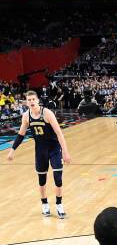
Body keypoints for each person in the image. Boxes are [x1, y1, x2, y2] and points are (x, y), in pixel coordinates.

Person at [7, 90, 71, 218]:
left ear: (37, 100)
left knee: (58, 177)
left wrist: (65, 152)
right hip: (40, 150)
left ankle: (59, 204)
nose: (31, 102)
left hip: (54, 149)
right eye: (28, 100)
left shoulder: (47, 113)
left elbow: (59, 133)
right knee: (42, 180)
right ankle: (45, 204)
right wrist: (12, 151)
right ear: (26, 102)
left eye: (33, 99)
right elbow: (20, 135)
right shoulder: (26, 116)